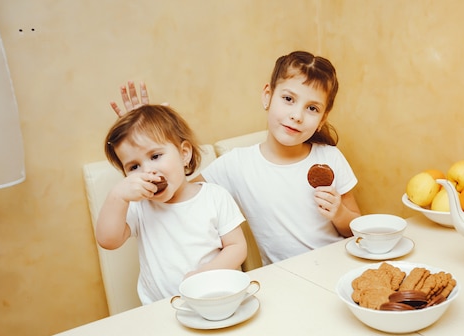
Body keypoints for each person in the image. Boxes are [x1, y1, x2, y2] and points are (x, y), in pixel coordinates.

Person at [111, 51, 361, 265]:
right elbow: (180, 191)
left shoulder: (329, 157)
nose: (296, 115)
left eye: (312, 108)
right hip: (288, 279)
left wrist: (339, 212)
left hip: (338, 265)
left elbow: (358, 229)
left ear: (323, 119)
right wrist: (144, 135)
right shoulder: (237, 164)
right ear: (268, 95)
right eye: (288, 99)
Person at [97, 104, 247, 304]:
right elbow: (108, 240)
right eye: (134, 167)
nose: (147, 171)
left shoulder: (214, 197)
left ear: (184, 153)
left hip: (216, 299)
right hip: (161, 309)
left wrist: (204, 274)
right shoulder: (139, 206)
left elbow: (237, 247)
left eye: (155, 156)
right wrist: (117, 196)